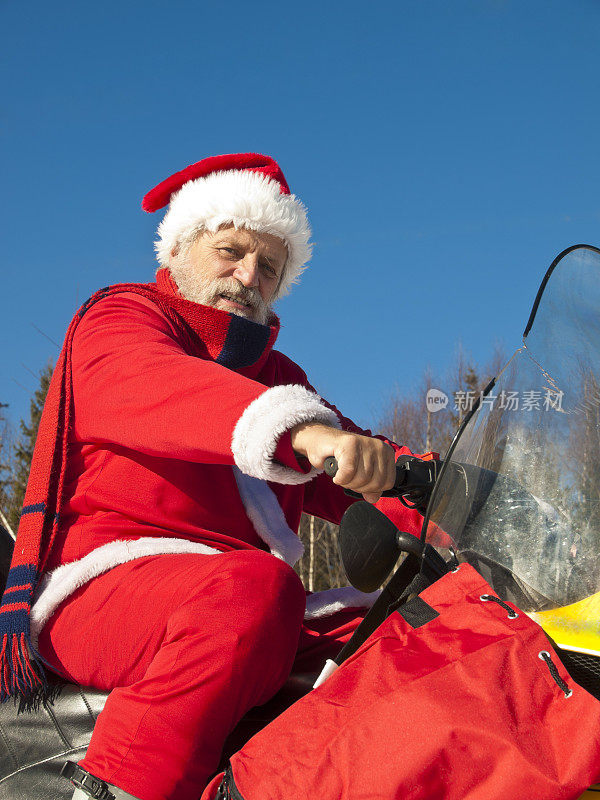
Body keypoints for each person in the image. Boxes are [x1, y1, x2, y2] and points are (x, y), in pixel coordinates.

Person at [0, 153, 430, 800]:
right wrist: (301, 432)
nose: (248, 276)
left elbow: (357, 462)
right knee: (253, 591)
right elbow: (146, 384)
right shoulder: (123, 317)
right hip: (107, 588)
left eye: (269, 268)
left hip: (240, 605)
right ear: (178, 246)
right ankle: (116, 787)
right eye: (230, 250)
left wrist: (448, 496)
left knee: (410, 627)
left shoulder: (280, 379)